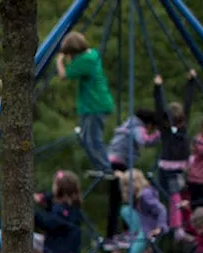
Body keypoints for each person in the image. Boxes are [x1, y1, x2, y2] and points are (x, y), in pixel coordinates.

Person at [57, 32, 115, 173]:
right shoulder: (92, 55)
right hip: (93, 105)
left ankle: (106, 168)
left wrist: (59, 60)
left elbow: (63, 75)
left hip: (95, 106)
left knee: (93, 140)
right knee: (85, 138)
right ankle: (102, 166)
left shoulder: (85, 61)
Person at [155, 72, 197, 240]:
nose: (179, 124)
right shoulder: (164, 129)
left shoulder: (182, 127)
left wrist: (191, 82)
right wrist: (157, 88)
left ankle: (178, 228)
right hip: (167, 167)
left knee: (176, 198)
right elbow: (159, 107)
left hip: (177, 168)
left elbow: (188, 102)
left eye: (180, 121)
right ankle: (171, 226)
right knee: (167, 197)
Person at [105, 109, 160, 238]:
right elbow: (144, 141)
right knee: (129, 197)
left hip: (111, 161)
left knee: (116, 199)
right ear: (149, 124)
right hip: (120, 163)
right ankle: (128, 231)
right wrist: (158, 134)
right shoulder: (138, 128)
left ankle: (112, 233)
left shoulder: (128, 124)